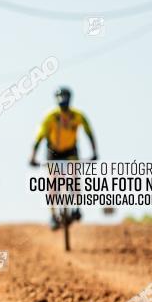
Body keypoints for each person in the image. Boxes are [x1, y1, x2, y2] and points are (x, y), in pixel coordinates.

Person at [30, 87, 98, 229]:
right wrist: (32, 156)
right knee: (53, 182)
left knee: (74, 177)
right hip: (53, 152)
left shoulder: (78, 115)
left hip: (70, 151)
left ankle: (77, 208)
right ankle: (53, 215)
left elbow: (89, 133)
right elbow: (39, 137)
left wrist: (94, 152)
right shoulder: (50, 116)